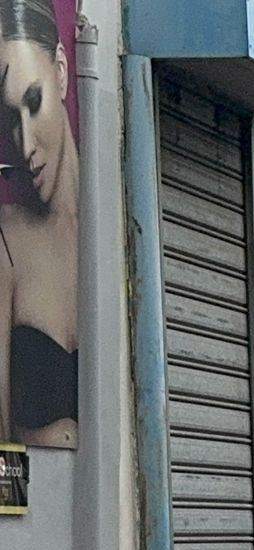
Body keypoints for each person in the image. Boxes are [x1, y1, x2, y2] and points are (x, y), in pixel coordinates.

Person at [0, 0, 79, 450]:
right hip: (32, 511)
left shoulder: (113, 232)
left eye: (34, 102)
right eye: (12, 119)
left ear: (63, 73)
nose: (26, 145)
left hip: (108, 503)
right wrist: (18, 519)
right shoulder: (8, 242)